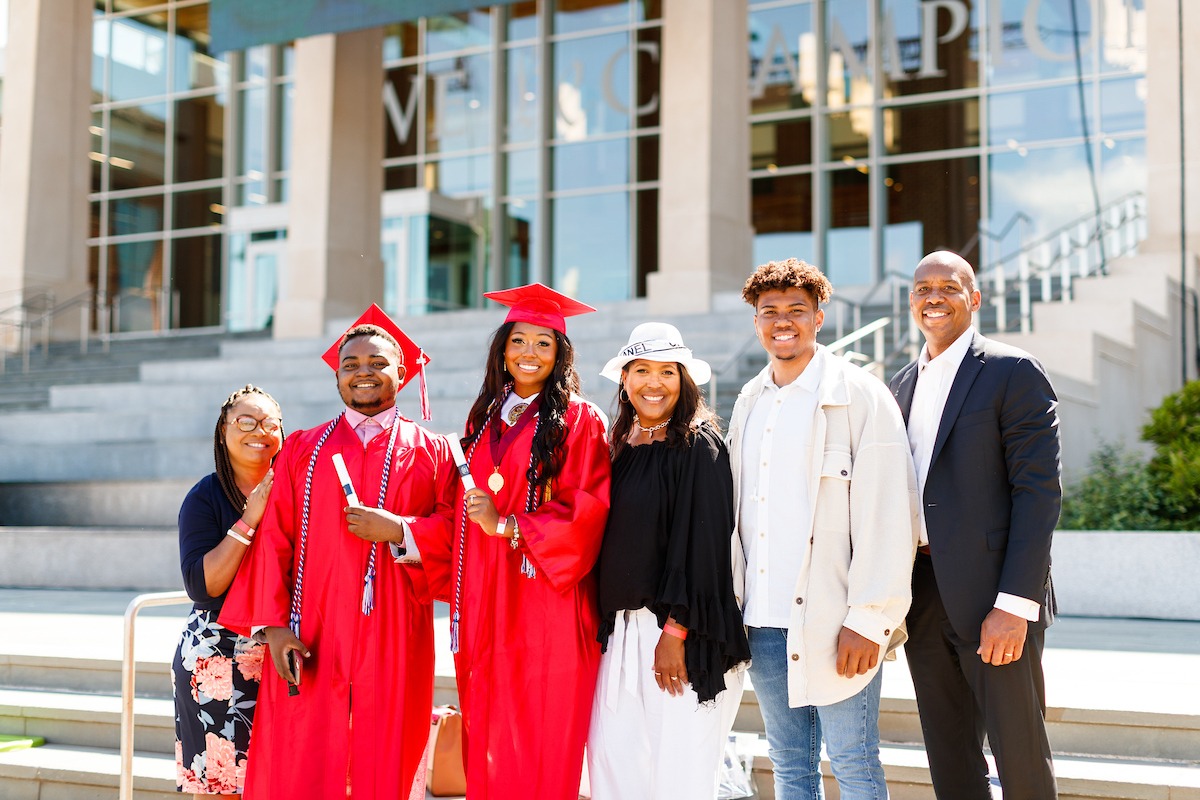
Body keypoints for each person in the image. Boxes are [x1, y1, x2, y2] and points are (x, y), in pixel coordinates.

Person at [218, 305, 455, 800]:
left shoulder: (434, 452)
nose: (363, 373)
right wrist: (275, 626)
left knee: (386, 755)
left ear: (403, 372)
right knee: (303, 756)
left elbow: (456, 535)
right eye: (351, 365)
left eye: (377, 363)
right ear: (337, 374)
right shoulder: (304, 449)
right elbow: (275, 538)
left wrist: (400, 530)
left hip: (395, 630)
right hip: (314, 629)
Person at [728, 258, 919, 799]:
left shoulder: (860, 394)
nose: (782, 321)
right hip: (762, 620)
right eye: (770, 312)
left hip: (838, 620)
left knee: (855, 763)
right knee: (789, 764)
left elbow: (888, 513)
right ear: (757, 321)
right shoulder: (749, 400)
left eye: (796, 310)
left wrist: (870, 618)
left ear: (819, 317)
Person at [412, 283, 611, 800]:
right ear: (502, 348)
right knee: (490, 721)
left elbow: (588, 508)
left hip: (545, 595)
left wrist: (510, 526)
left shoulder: (580, 420)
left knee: (544, 724)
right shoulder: (481, 421)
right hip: (485, 595)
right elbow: (457, 510)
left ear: (560, 354)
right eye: (519, 340)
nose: (529, 353)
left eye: (544, 344)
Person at [889, 250, 1062, 799]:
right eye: (922, 288)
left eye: (948, 286)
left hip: (995, 598)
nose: (933, 297)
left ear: (975, 298)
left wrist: (1014, 606)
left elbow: (1038, 494)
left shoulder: (1012, 371)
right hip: (921, 593)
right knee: (949, 758)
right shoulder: (900, 384)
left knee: (1021, 757)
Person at [586, 322, 751, 800]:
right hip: (620, 631)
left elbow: (707, 547)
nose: (653, 383)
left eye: (666, 372)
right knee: (613, 769)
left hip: (678, 632)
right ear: (623, 379)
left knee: (678, 777)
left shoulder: (699, 445)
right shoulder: (618, 446)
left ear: (684, 380)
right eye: (641, 370)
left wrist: (676, 632)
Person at [173, 384, 282, 796]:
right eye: (245, 422)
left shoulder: (295, 488)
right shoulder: (205, 497)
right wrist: (250, 518)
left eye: (269, 422)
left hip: (283, 654)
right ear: (223, 431)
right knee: (221, 788)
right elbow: (203, 585)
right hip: (220, 659)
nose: (259, 431)